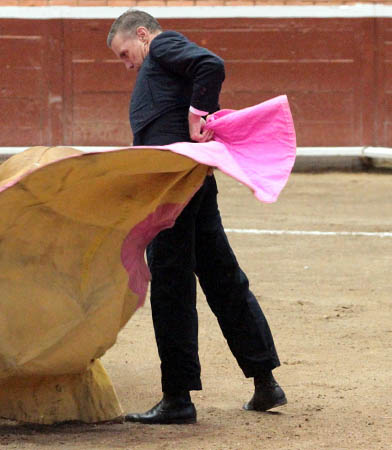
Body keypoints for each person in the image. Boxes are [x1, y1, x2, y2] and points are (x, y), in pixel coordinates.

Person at [107, 10, 287, 425]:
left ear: (141, 34)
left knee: (171, 283)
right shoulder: (159, 62)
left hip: (175, 184)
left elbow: (211, 64)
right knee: (223, 277)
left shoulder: (162, 46)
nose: (127, 64)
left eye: (124, 53)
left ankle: (177, 397)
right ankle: (264, 381)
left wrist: (195, 114)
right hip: (191, 181)